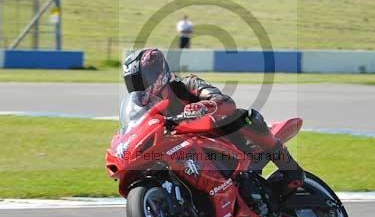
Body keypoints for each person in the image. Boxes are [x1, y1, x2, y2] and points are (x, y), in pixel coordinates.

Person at [122, 47, 305, 200]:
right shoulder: (144, 109)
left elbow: (226, 103)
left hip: (225, 142)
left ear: (157, 74)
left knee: (247, 117)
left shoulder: (186, 84)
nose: (136, 88)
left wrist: (203, 106)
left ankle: (291, 171)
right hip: (186, 153)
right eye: (132, 83)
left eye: (139, 81)